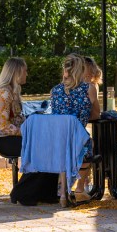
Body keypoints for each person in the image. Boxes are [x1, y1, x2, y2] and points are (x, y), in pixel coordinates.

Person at [48, 54, 100, 201]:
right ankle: (79, 189)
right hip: (78, 138)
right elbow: (96, 114)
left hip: (58, 139)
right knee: (88, 144)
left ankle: (63, 192)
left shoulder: (55, 90)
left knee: (68, 150)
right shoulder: (88, 88)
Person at [0, 57, 28, 157]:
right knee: (42, 144)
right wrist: (27, 132)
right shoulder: (4, 93)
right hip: (6, 141)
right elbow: (4, 126)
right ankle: (34, 172)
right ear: (16, 73)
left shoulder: (11, 90)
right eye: (25, 71)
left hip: (11, 137)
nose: (27, 74)